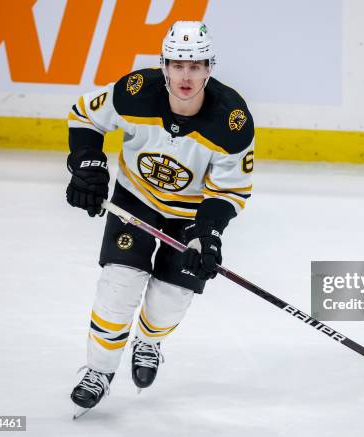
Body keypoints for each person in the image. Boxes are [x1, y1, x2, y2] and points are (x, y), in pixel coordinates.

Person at [65, 21, 255, 414]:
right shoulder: (134, 93)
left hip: (191, 216)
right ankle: (98, 372)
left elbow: (230, 190)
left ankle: (148, 342)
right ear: (164, 66)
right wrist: (87, 164)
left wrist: (209, 235)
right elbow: (85, 116)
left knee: (170, 299)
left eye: (196, 66)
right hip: (136, 201)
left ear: (209, 68)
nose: (186, 76)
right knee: (118, 287)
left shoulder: (232, 121)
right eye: (178, 65)